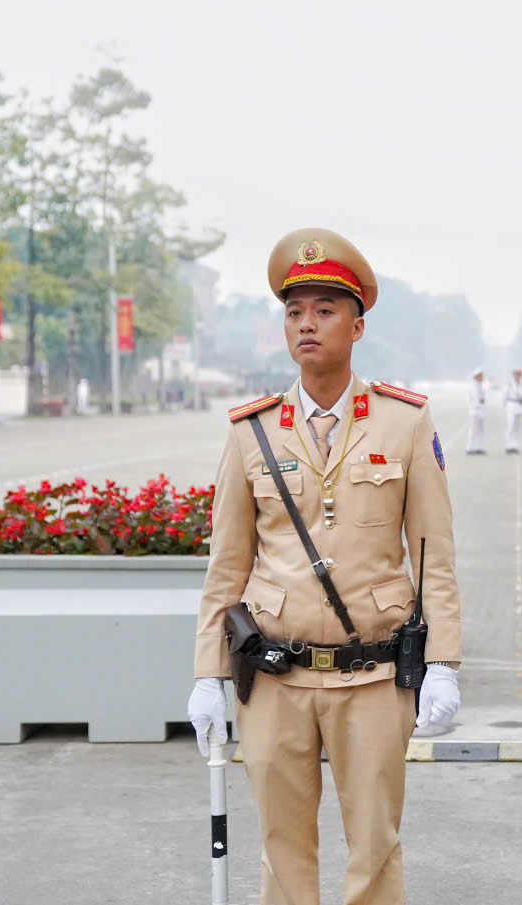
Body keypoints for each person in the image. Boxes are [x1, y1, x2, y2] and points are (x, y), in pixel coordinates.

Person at [186, 227, 463, 905]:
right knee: (283, 851)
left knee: (374, 849)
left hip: (373, 677)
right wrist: (208, 675)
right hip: (275, 678)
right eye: (294, 311)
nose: (306, 324)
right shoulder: (251, 430)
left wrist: (445, 664)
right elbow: (227, 567)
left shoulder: (404, 422)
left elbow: (434, 556)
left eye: (324, 310)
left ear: (357, 326)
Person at [504, 368, 522, 453]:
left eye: (519, 375)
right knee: (510, 426)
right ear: (514, 375)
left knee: (517, 427)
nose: (518, 376)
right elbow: (505, 396)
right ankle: (508, 445)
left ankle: (515, 445)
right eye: (517, 374)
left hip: (519, 406)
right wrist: (506, 407)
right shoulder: (509, 384)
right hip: (511, 405)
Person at [466, 367, 486, 455]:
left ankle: (479, 447)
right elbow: (475, 401)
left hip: (480, 411)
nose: (482, 377)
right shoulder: (473, 386)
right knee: (473, 430)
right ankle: (470, 448)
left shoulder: (480, 385)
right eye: (480, 375)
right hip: (475, 411)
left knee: (480, 430)